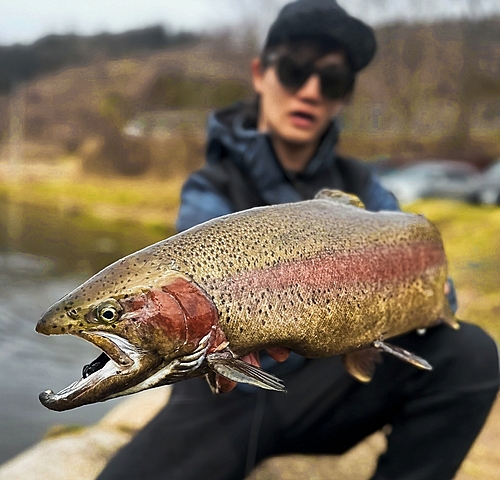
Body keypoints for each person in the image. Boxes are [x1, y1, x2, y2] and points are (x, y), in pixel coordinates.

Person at [98, 1, 499, 479]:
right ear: (260, 74)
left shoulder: (363, 188)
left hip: (328, 388)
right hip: (226, 398)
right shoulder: (212, 188)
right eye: (293, 71)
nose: (310, 91)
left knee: (471, 352)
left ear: (343, 97)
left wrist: (429, 292)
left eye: (332, 81)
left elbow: (422, 267)